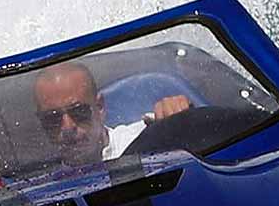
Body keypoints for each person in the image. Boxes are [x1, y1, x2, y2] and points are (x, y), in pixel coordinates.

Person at [32, 61, 190, 168]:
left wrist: (180, 117)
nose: (67, 127)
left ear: (99, 108)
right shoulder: (39, 185)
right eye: (52, 118)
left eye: (79, 111)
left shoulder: (146, 136)